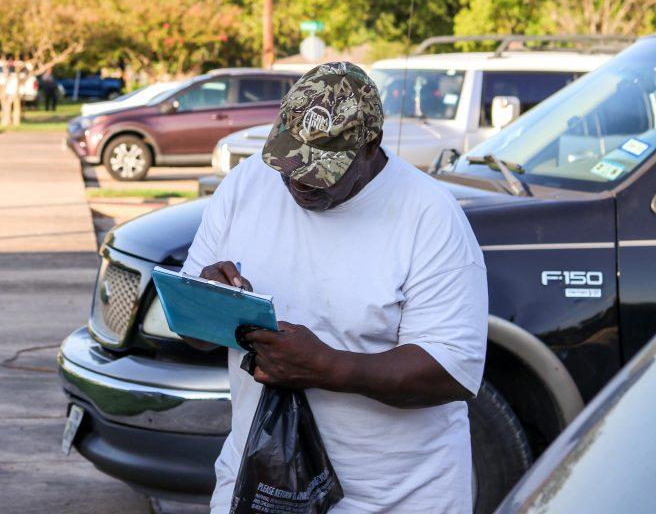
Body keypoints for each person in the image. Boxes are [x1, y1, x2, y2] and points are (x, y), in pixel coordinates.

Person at [183, 62, 487, 513]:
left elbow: (450, 370)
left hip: (397, 497)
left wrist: (325, 366)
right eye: (290, 162)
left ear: (371, 146)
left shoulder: (429, 215)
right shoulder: (248, 182)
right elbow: (189, 327)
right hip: (259, 484)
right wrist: (209, 301)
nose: (300, 181)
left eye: (322, 168)